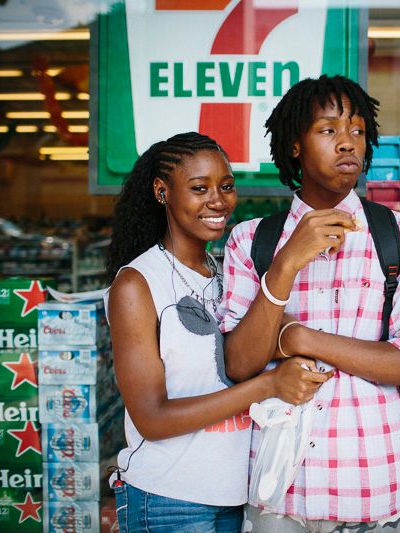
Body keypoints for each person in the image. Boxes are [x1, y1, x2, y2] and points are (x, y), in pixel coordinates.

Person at [219, 74, 400, 532]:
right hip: (277, 487)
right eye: (328, 130)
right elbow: (239, 365)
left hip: (371, 481)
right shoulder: (252, 240)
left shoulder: (398, 237)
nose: (347, 144)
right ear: (295, 145)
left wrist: (300, 338)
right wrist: (284, 265)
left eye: (357, 131)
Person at [104, 132, 331, 533]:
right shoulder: (137, 284)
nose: (218, 200)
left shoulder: (225, 273)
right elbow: (152, 418)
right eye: (199, 188)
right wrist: (270, 385)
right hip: (167, 500)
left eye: (226, 186)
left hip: (232, 497)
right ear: (162, 192)